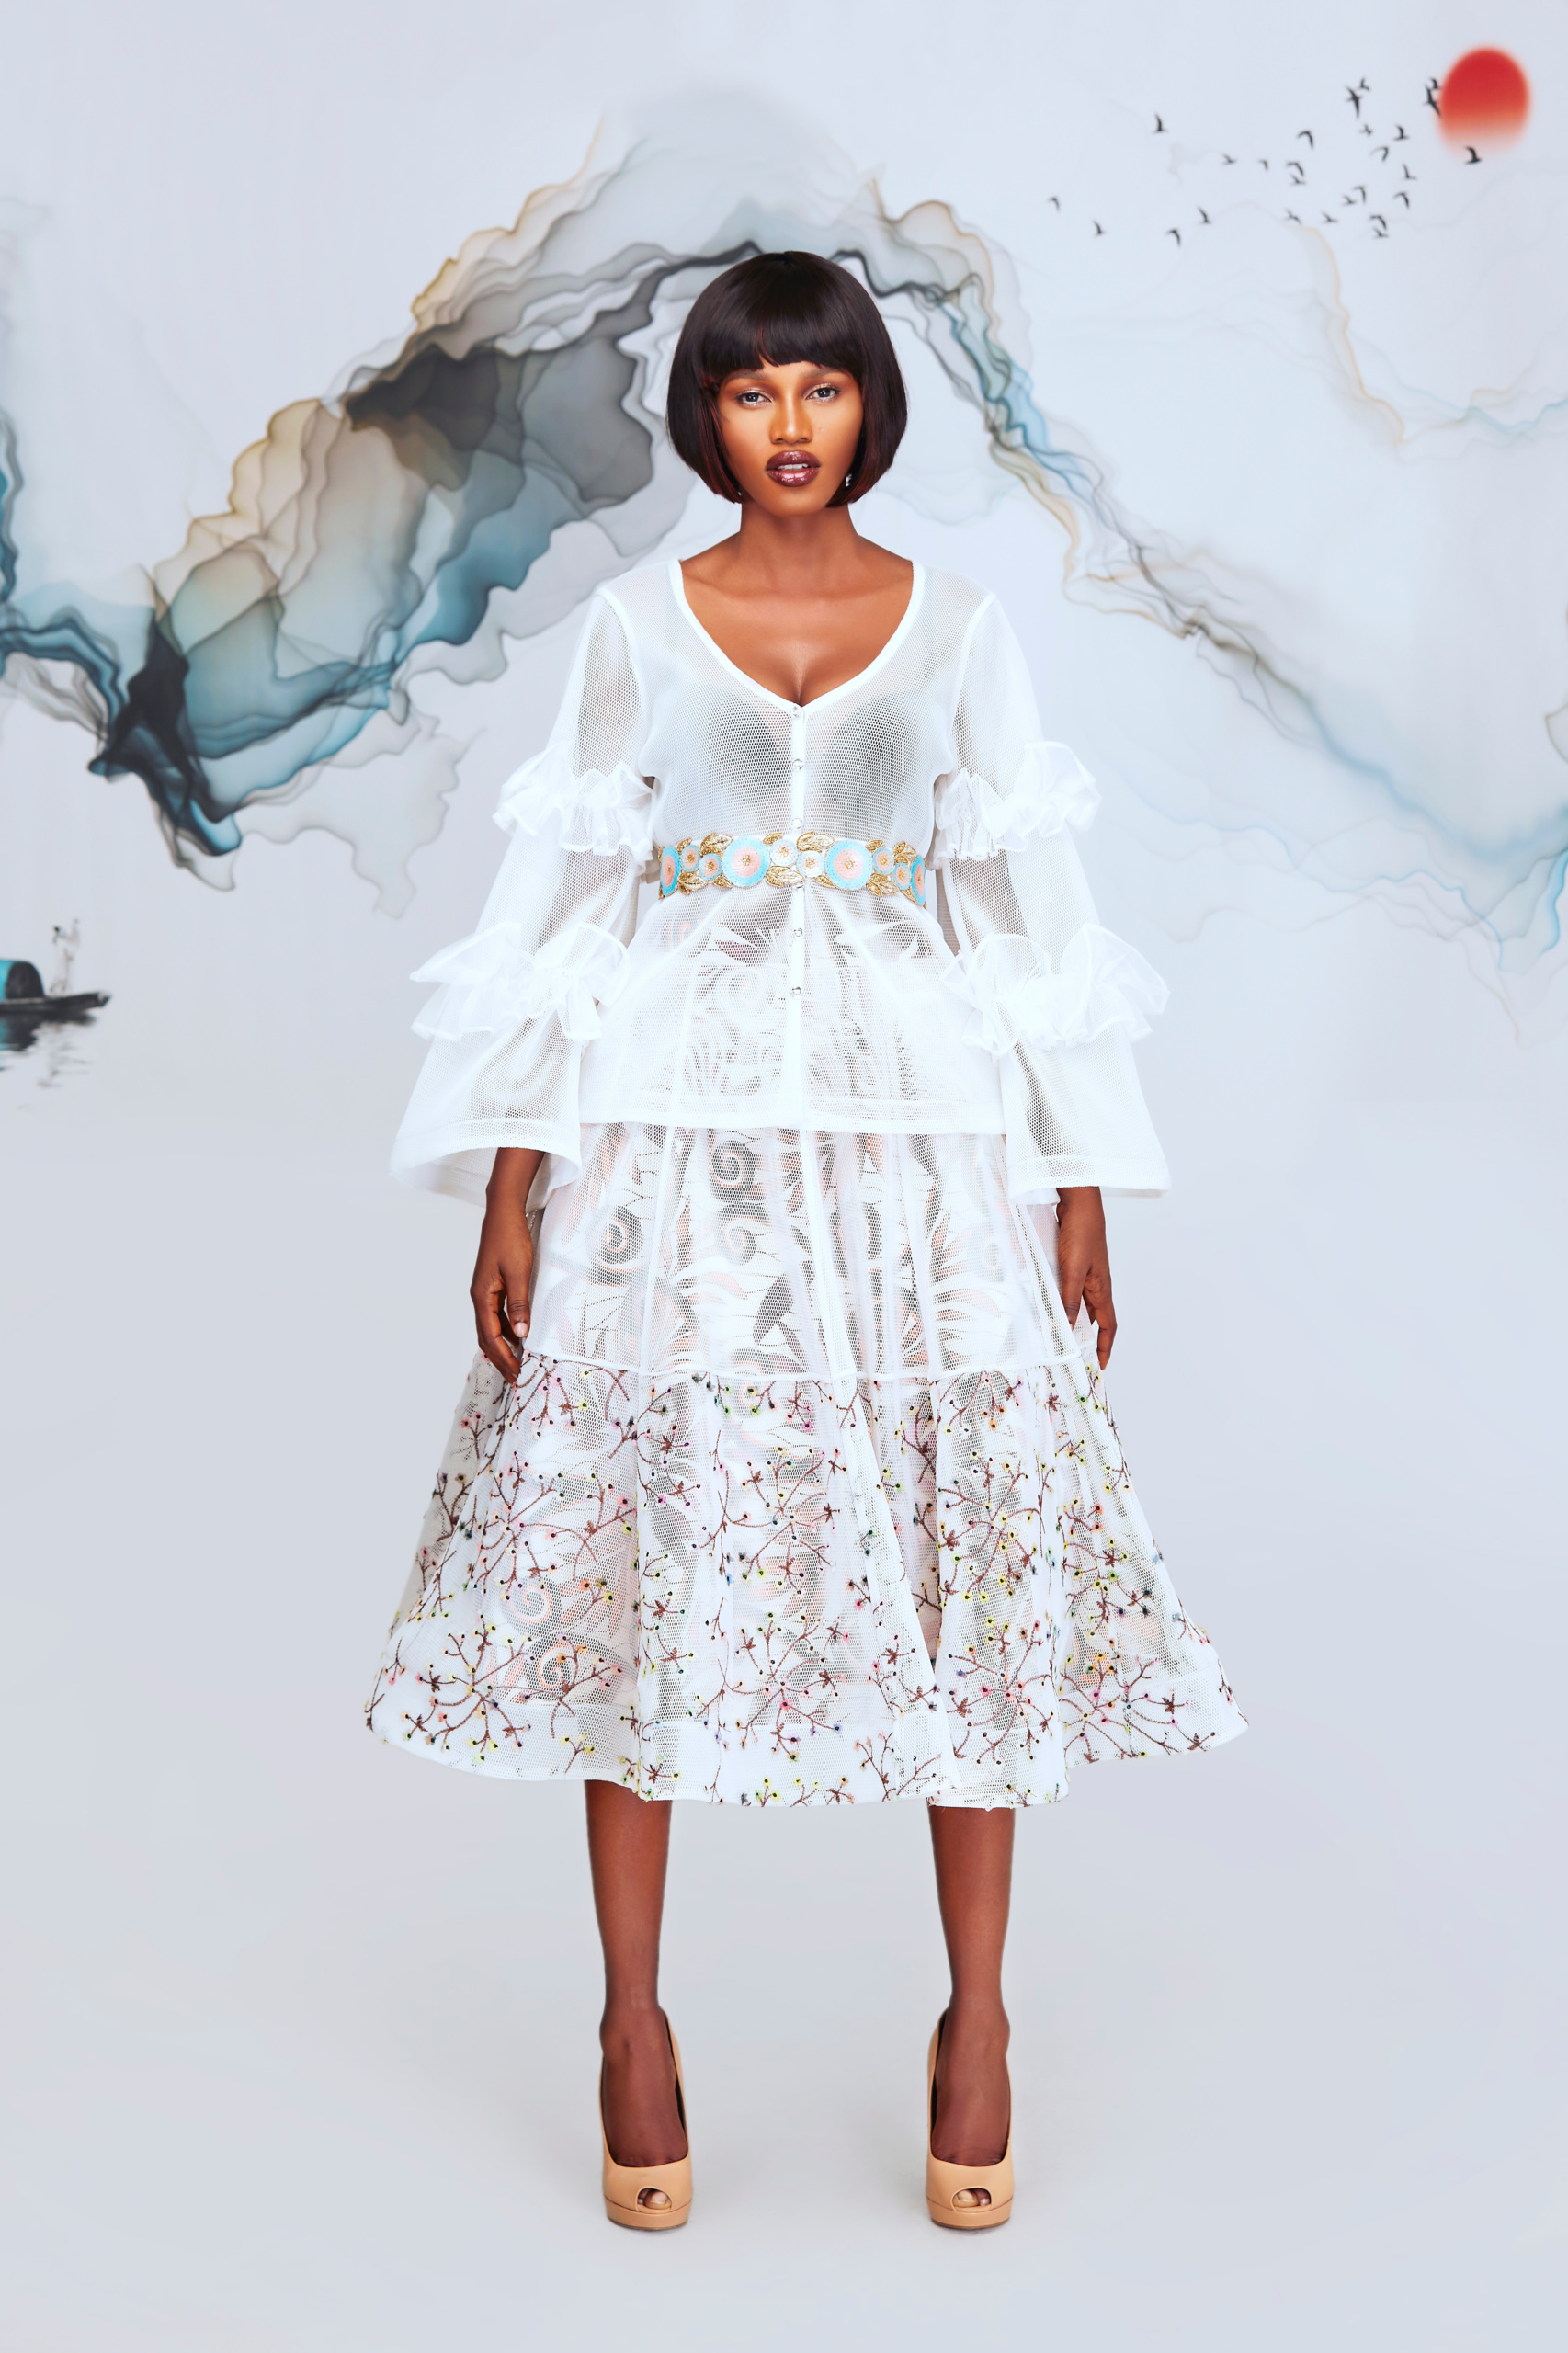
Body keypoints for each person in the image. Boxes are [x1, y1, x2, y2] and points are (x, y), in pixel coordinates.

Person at [367, 251, 1244, 2232]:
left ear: (865, 412)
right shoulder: (630, 630)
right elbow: (563, 911)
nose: (787, 423)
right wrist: (512, 1178)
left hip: (915, 1145)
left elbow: (1026, 910)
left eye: (820, 388)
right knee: (637, 1546)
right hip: (671, 1143)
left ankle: (978, 2019)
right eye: (750, 388)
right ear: (706, 412)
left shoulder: (956, 631)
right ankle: (631, 2020)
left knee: (963, 1544)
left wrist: (1077, 1174)